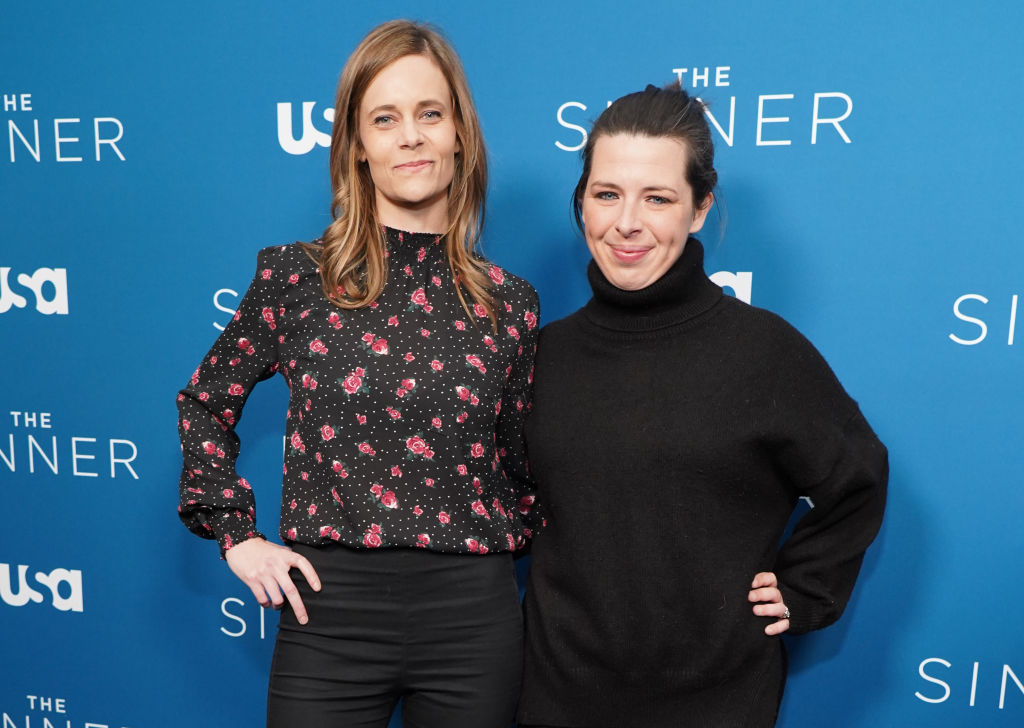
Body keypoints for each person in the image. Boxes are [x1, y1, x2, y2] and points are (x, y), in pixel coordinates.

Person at [175, 20, 542, 728]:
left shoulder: (510, 303)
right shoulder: (297, 279)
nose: (410, 137)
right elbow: (204, 402)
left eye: (429, 113)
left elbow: (524, 465)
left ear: (459, 134)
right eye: (385, 118)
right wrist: (236, 535)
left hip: (474, 620)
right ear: (356, 146)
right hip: (329, 613)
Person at [517, 83, 888, 728]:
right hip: (555, 702)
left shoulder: (763, 351)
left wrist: (807, 589)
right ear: (582, 203)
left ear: (699, 208)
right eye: (607, 194)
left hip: (718, 704)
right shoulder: (543, 355)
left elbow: (858, 477)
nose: (627, 223)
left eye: (657, 198)